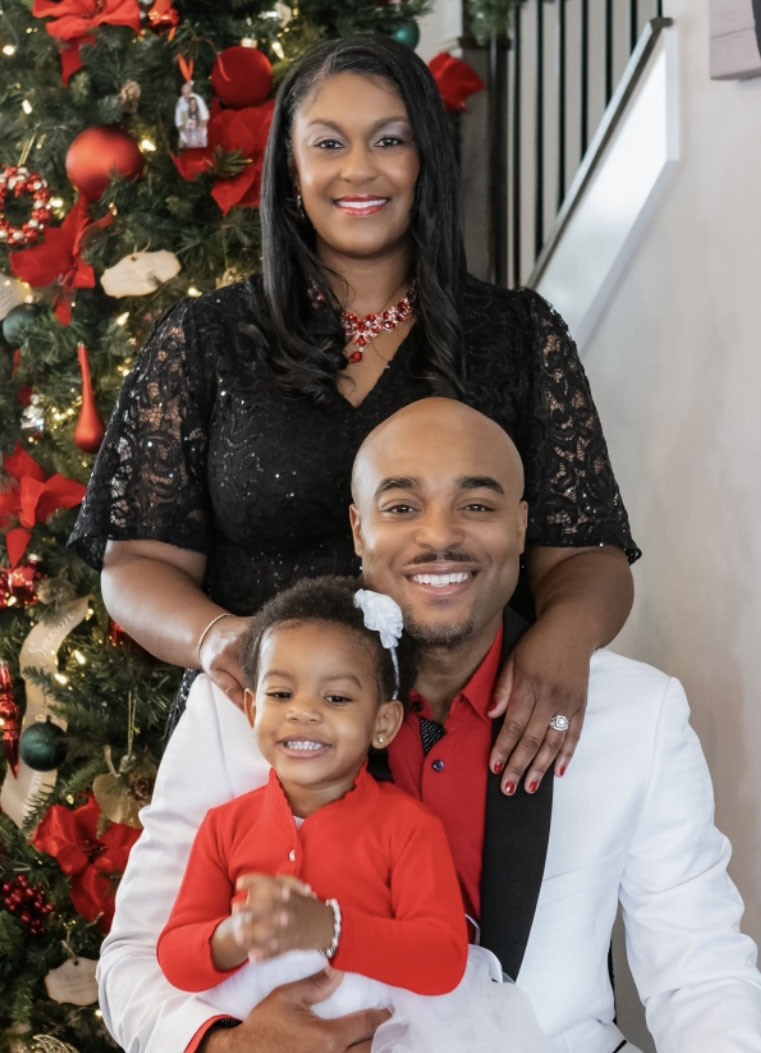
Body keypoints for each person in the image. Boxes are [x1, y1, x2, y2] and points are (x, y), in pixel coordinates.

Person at [98, 398, 761, 1053]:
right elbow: (133, 957)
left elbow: (699, 973)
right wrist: (225, 1046)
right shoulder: (243, 705)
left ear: (521, 526)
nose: (440, 534)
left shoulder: (638, 714)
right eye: (401, 506)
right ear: (358, 531)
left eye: (476, 505)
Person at [70, 33, 640, 793]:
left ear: (424, 160)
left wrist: (565, 637)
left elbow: (588, 553)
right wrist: (216, 638)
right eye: (328, 143)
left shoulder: (518, 336)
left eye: (389, 140)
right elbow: (134, 565)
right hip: (264, 748)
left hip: (467, 745)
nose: (359, 169)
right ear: (291, 172)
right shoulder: (204, 340)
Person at [156, 576, 551, 1053]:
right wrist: (235, 935)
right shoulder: (225, 825)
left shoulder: (406, 827)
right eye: (281, 695)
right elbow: (176, 957)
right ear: (251, 707)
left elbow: (444, 960)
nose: (303, 713)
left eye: (336, 698)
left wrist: (328, 928)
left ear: (383, 723)